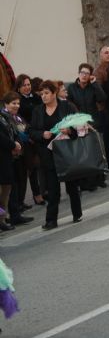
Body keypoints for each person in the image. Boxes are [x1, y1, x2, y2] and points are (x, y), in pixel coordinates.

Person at [30, 81, 82, 230]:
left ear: (54, 93)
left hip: (66, 150)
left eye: (46, 93)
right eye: (42, 94)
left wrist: (70, 131)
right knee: (52, 188)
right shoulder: (38, 111)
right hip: (48, 152)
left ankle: (77, 213)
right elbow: (32, 131)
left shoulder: (67, 107)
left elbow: (79, 127)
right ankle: (51, 220)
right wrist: (42, 134)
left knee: (72, 184)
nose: (44, 97)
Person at [67, 63, 107, 190]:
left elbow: (102, 98)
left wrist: (95, 84)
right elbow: (70, 106)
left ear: (91, 75)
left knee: (96, 152)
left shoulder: (92, 87)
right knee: (84, 154)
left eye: (87, 73)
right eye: (82, 73)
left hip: (93, 123)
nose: (84, 76)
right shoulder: (72, 88)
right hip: (79, 125)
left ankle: (99, 178)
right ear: (79, 73)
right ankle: (86, 182)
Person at [1, 92, 35, 225]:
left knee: (12, 186)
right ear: (6, 104)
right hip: (4, 156)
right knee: (4, 191)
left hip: (13, 154)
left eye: (18, 103)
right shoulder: (3, 117)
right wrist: (13, 145)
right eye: (13, 103)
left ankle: (13, 215)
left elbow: (14, 132)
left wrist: (17, 143)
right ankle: (4, 219)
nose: (17, 106)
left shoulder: (13, 117)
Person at [15, 74, 45, 206]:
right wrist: (29, 136)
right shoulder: (18, 100)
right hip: (27, 138)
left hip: (40, 134)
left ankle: (45, 191)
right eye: (24, 85)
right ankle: (35, 194)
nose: (27, 87)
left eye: (28, 84)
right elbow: (19, 121)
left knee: (42, 164)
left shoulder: (37, 97)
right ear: (18, 88)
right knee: (31, 167)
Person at [0, 101, 21, 231]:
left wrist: (14, 143)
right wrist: (13, 145)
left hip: (5, 158)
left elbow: (8, 132)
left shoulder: (2, 116)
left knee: (5, 191)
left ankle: (1, 220)